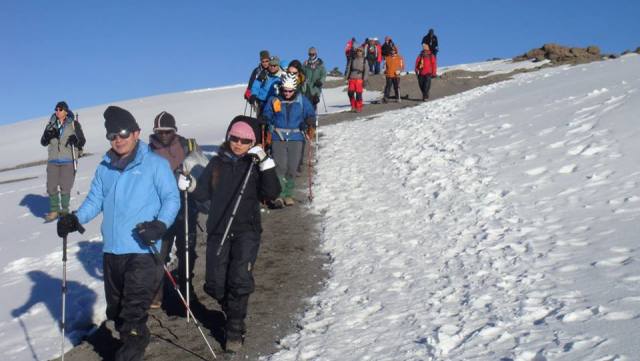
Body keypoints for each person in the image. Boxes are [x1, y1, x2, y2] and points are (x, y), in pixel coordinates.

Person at [57, 105, 180, 361]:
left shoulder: (155, 164)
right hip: (113, 251)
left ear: (136, 133)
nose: (118, 139)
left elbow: (172, 199)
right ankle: (135, 338)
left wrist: (160, 225)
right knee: (117, 313)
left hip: (143, 251)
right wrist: (75, 219)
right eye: (112, 135)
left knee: (132, 315)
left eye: (123, 133)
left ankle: (131, 349)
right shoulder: (105, 168)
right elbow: (94, 200)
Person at [187, 117, 280, 352]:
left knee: (239, 281)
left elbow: (271, 192)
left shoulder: (255, 165)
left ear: (253, 142)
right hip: (218, 230)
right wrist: (189, 185)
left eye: (244, 140)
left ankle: (234, 332)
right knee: (215, 285)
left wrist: (266, 163)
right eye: (234, 138)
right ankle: (234, 313)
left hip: (246, 232)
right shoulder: (217, 163)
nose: (238, 144)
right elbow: (202, 194)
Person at [148, 111, 206, 309]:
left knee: (187, 250)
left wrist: (192, 182)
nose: (163, 135)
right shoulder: (147, 152)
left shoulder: (188, 146)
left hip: (187, 205)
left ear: (175, 131)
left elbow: (202, 170)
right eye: (159, 131)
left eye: (167, 131)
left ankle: (186, 289)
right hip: (161, 210)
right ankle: (156, 294)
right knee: (159, 252)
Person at [262, 73, 316, 207]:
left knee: (292, 167)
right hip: (277, 136)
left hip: (296, 137)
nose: (287, 93)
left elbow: (310, 113)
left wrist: (309, 121)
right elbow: (267, 112)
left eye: (290, 90)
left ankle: (288, 194)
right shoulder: (274, 100)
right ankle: (279, 195)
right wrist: (266, 118)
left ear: (295, 89)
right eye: (285, 90)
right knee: (280, 166)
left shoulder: (302, 100)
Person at [40, 101, 86, 222]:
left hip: (68, 159)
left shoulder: (74, 124)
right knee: (51, 186)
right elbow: (43, 142)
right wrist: (48, 135)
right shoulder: (51, 124)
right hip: (53, 159)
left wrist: (75, 139)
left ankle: (64, 210)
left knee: (65, 187)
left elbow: (82, 140)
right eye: (56, 109)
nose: (57, 111)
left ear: (65, 111)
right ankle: (54, 211)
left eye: (60, 109)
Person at [302, 46, 327, 111]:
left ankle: (314, 117)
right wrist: (303, 80)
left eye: (313, 54)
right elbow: (301, 73)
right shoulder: (305, 64)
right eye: (310, 54)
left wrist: (321, 81)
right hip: (307, 87)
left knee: (314, 103)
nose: (311, 56)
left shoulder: (320, 64)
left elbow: (324, 74)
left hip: (316, 87)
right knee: (306, 104)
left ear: (316, 54)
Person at [345, 47, 368, 112]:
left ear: (362, 52)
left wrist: (365, 80)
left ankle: (359, 107)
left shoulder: (364, 60)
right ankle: (353, 106)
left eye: (360, 51)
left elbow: (366, 70)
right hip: (352, 78)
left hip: (359, 79)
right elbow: (348, 69)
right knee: (350, 93)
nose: (359, 52)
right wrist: (347, 78)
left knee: (358, 94)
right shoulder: (352, 59)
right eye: (358, 51)